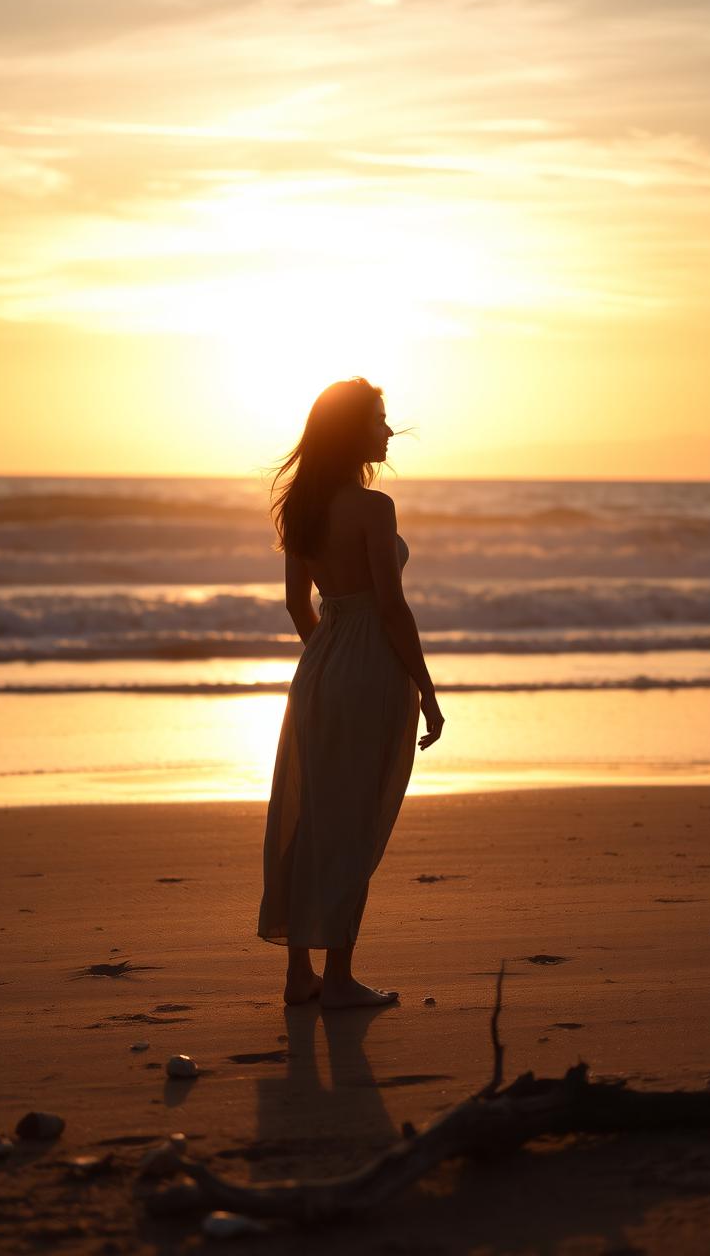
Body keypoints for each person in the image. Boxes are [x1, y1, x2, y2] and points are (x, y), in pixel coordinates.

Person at [256, 377, 444, 1008]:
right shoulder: (373, 508)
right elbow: (392, 609)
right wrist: (427, 688)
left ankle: (298, 975)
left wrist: (328, 661)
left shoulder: (302, 506)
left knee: (313, 815)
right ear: (350, 431)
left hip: (321, 666)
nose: (388, 430)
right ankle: (338, 978)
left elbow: (295, 604)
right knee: (355, 821)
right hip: (370, 668)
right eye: (378, 420)